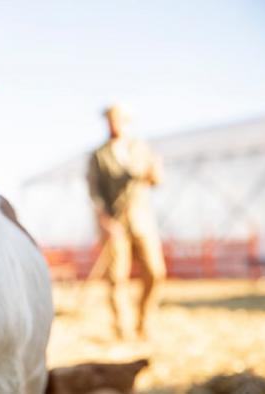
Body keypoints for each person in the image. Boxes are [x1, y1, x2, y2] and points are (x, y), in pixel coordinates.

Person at [86, 105, 166, 339]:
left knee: (155, 272)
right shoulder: (99, 156)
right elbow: (94, 192)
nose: (114, 124)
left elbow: (156, 179)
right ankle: (122, 328)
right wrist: (105, 220)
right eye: (111, 120)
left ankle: (145, 321)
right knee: (117, 278)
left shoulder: (141, 149)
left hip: (141, 219)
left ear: (126, 122)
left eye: (119, 120)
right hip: (114, 223)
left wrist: (154, 174)